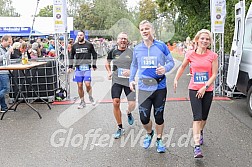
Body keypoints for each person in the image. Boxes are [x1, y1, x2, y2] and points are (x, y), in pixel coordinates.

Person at [129, 20, 175, 153]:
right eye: (142, 29)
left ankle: (159, 140)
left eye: (147, 28)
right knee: (144, 117)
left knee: (159, 116)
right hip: (144, 87)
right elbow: (134, 65)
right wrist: (131, 79)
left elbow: (171, 62)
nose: (144, 31)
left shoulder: (161, 46)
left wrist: (165, 68)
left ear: (152, 30)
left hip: (159, 87)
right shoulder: (137, 48)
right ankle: (150, 133)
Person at [173, 29, 218, 158]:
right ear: (197, 40)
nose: (205, 41)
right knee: (197, 117)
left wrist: (205, 86)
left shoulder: (213, 56)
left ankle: (200, 131)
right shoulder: (190, 54)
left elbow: (214, 74)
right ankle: (197, 147)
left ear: (209, 42)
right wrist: (176, 79)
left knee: (204, 117)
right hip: (194, 89)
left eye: (207, 39)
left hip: (207, 90)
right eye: (202, 38)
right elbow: (182, 67)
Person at [105, 32, 136, 139]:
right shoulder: (112, 51)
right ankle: (120, 127)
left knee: (132, 104)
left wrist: (131, 72)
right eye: (121, 39)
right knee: (115, 102)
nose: (123, 41)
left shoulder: (132, 52)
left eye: (125, 39)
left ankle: (128, 112)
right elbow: (107, 62)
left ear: (127, 41)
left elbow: (136, 65)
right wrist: (109, 72)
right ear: (117, 40)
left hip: (128, 81)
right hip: (117, 80)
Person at [68, 30, 97, 109]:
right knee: (80, 85)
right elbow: (71, 56)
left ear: (84, 36)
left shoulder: (89, 45)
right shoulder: (75, 46)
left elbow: (94, 54)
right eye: (78, 35)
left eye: (81, 35)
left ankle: (90, 97)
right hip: (78, 68)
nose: (79, 36)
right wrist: (70, 66)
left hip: (87, 68)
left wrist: (94, 65)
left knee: (87, 84)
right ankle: (82, 101)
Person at [0, 35, 12, 112]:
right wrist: (8, 52)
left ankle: (4, 107)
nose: (10, 43)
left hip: (6, 70)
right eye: (9, 42)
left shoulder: (6, 48)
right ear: (3, 41)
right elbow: (1, 58)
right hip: (2, 71)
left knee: (1, 89)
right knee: (6, 89)